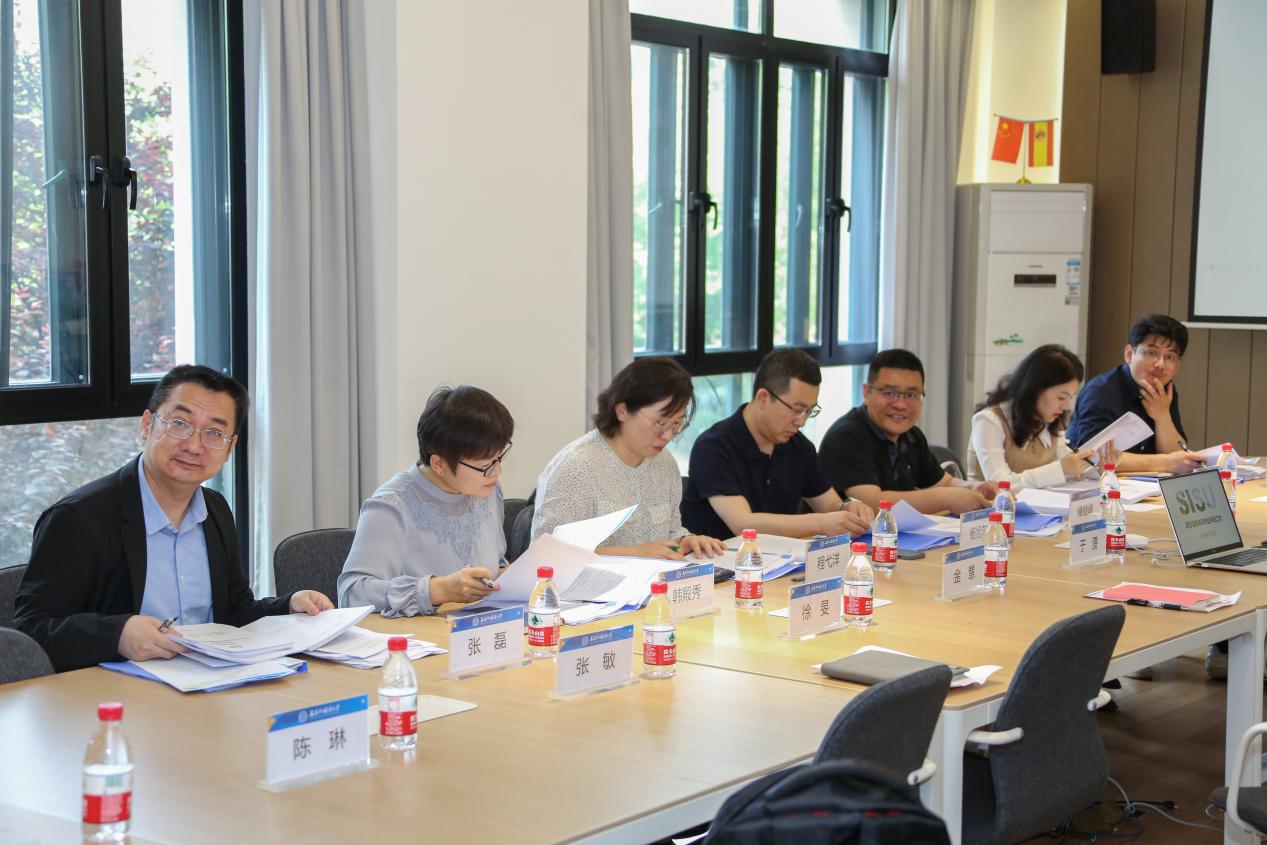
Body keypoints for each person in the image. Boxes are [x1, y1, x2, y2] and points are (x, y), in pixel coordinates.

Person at [14, 365, 332, 673]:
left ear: (230, 448)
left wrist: (287, 606)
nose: (193, 446)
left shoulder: (215, 510)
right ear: (146, 425)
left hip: (208, 684)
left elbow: (234, 612)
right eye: (179, 423)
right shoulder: (78, 518)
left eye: (214, 433)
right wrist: (117, 635)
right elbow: (32, 630)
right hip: (114, 695)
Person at [338, 386, 514, 616]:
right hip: (421, 635)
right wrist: (436, 590)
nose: (497, 471)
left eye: (499, 458)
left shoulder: (487, 490)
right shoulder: (392, 506)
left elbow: (496, 562)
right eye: (485, 465)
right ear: (439, 464)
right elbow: (351, 594)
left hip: (482, 627)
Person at [532, 357, 725, 560]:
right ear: (622, 411)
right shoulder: (576, 467)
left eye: (677, 423)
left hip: (656, 579)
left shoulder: (665, 462)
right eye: (660, 422)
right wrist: (633, 553)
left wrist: (684, 540)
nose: (668, 435)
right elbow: (547, 554)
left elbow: (670, 533)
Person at [681, 349, 875, 541]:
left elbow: (830, 507)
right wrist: (820, 523)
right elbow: (742, 524)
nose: (801, 422)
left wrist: (848, 508)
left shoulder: (799, 446)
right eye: (797, 410)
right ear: (763, 398)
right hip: (720, 558)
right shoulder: (713, 447)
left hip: (783, 557)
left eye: (809, 411)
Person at [819, 349, 997, 514]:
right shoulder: (846, 437)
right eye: (889, 393)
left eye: (911, 395)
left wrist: (974, 488)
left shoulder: (912, 436)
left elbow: (944, 482)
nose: (900, 404)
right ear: (867, 393)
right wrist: (945, 498)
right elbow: (871, 502)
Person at [1065, 314, 1204, 474]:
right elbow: (1095, 457)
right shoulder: (1100, 392)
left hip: (1143, 484)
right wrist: (1166, 463)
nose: (1160, 364)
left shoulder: (1164, 390)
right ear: (1129, 354)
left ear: (1178, 366)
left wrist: (1162, 417)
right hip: (1092, 484)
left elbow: (1178, 457)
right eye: (1152, 353)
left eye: (1170, 357)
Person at [967, 344, 1117, 489]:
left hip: (1035, 505)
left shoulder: (1048, 419)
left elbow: (1069, 470)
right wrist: (1060, 469)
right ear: (1035, 388)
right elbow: (1000, 484)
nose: (1066, 406)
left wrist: (1098, 468)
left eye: (1069, 398)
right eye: (1061, 397)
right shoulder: (989, 421)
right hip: (989, 506)